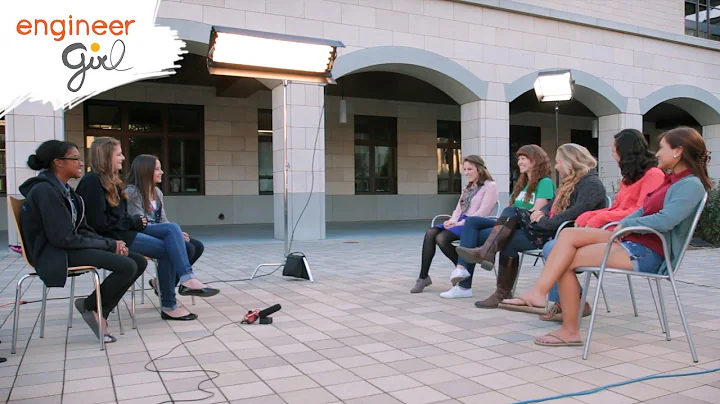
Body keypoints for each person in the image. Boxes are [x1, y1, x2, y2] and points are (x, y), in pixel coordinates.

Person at [504, 127, 711, 347]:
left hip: (649, 253)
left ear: (678, 151)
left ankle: (562, 320)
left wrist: (628, 223)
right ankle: (544, 298)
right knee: (568, 236)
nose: (657, 153)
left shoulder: (690, 185)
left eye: (661, 148)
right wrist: (625, 222)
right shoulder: (672, 181)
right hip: (632, 242)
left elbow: (665, 220)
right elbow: (643, 210)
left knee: (563, 257)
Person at [77, 137, 218, 322]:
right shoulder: (92, 183)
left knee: (173, 231)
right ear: (105, 156)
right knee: (169, 243)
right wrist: (134, 222)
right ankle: (173, 299)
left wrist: (133, 222)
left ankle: (182, 284)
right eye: (119, 154)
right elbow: (99, 223)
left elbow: (119, 218)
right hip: (113, 237)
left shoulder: (113, 182)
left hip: (124, 231)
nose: (123, 158)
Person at [20, 140, 147, 343]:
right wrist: (108, 245)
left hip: (67, 246)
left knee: (138, 261)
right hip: (55, 253)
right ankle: (95, 310)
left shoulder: (65, 190)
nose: (80, 163)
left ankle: (94, 308)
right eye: (75, 159)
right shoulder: (45, 191)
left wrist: (111, 243)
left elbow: (83, 228)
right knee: (126, 265)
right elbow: (63, 238)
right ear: (58, 163)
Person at [456, 143, 606, 307]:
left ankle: (487, 252)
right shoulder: (569, 183)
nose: (556, 166)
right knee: (508, 240)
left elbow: (575, 213)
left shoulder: (591, 184)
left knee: (512, 212)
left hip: (562, 234)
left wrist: (543, 219)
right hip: (552, 230)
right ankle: (501, 292)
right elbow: (551, 206)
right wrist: (543, 212)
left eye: (559, 162)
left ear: (571, 162)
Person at [536, 129, 665, 321]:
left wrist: (597, 219)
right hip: (614, 233)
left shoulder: (653, 174)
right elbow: (618, 207)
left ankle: (566, 303)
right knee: (553, 246)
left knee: (555, 249)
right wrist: (589, 216)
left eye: (614, 149)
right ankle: (568, 303)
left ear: (625, 150)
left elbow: (641, 211)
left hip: (630, 238)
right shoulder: (628, 178)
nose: (612, 154)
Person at [437, 144, 554, 299]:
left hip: (528, 230)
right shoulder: (521, 184)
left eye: (523, 158)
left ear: (535, 160)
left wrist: (512, 215)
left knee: (476, 235)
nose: (519, 162)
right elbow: (508, 211)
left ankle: (472, 274)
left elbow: (534, 214)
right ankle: (462, 270)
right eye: (518, 159)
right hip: (508, 226)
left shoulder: (544, 182)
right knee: (472, 223)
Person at [411, 155, 498, 294]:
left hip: (475, 224)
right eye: (464, 169)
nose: (466, 172)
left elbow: (483, 212)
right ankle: (423, 277)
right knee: (431, 233)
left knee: (441, 238)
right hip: (460, 221)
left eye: (470, 169)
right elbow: (459, 208)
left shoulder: (490, 186)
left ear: (479, 169)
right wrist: (452, 220)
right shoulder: (467, 187)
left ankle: (465, 264)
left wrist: (459, 222)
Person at [125, 154, 205, 294]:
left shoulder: (157, 192)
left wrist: (176, 234)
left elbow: (163, 220)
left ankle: (160, 284)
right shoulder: (132, 192)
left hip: (160, 233)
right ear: (145, 170)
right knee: (188, 249)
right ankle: (168, 288)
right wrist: (171, 232)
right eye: (157, 169)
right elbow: (138, 221)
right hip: (142, 234)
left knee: (197, 246)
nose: (162, 172)